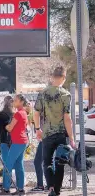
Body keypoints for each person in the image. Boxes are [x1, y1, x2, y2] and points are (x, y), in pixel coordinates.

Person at [34, 66, 76, 196]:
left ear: (52, 77)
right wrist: (72, 138)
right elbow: (67, 118)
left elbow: (36, 113)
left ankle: (50, 187)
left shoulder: (43, 93)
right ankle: (56, 190)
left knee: (46, 162)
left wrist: (37, 129)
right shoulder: (66, 95)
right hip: (60, 135)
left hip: (46, 133)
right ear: (64, 78)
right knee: (60, 163)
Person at [0, 94, 29, 195]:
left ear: (21, 102)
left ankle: (6, 188)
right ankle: (20, 189)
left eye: (16, 100)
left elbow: (10, 128)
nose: (14, 102)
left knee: (8, 165)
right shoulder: (24, 113)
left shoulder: (18, 114)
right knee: (19, 165)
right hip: (23, 141)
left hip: (18, 142)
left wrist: (5, 126)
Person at [0, 96, 14, 165]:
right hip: (14, 140)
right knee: (13, 161)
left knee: (6, 162)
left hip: (4, 139)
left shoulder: (1, 114)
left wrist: (0, 136)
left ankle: (6, 175)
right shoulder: (14, 114)